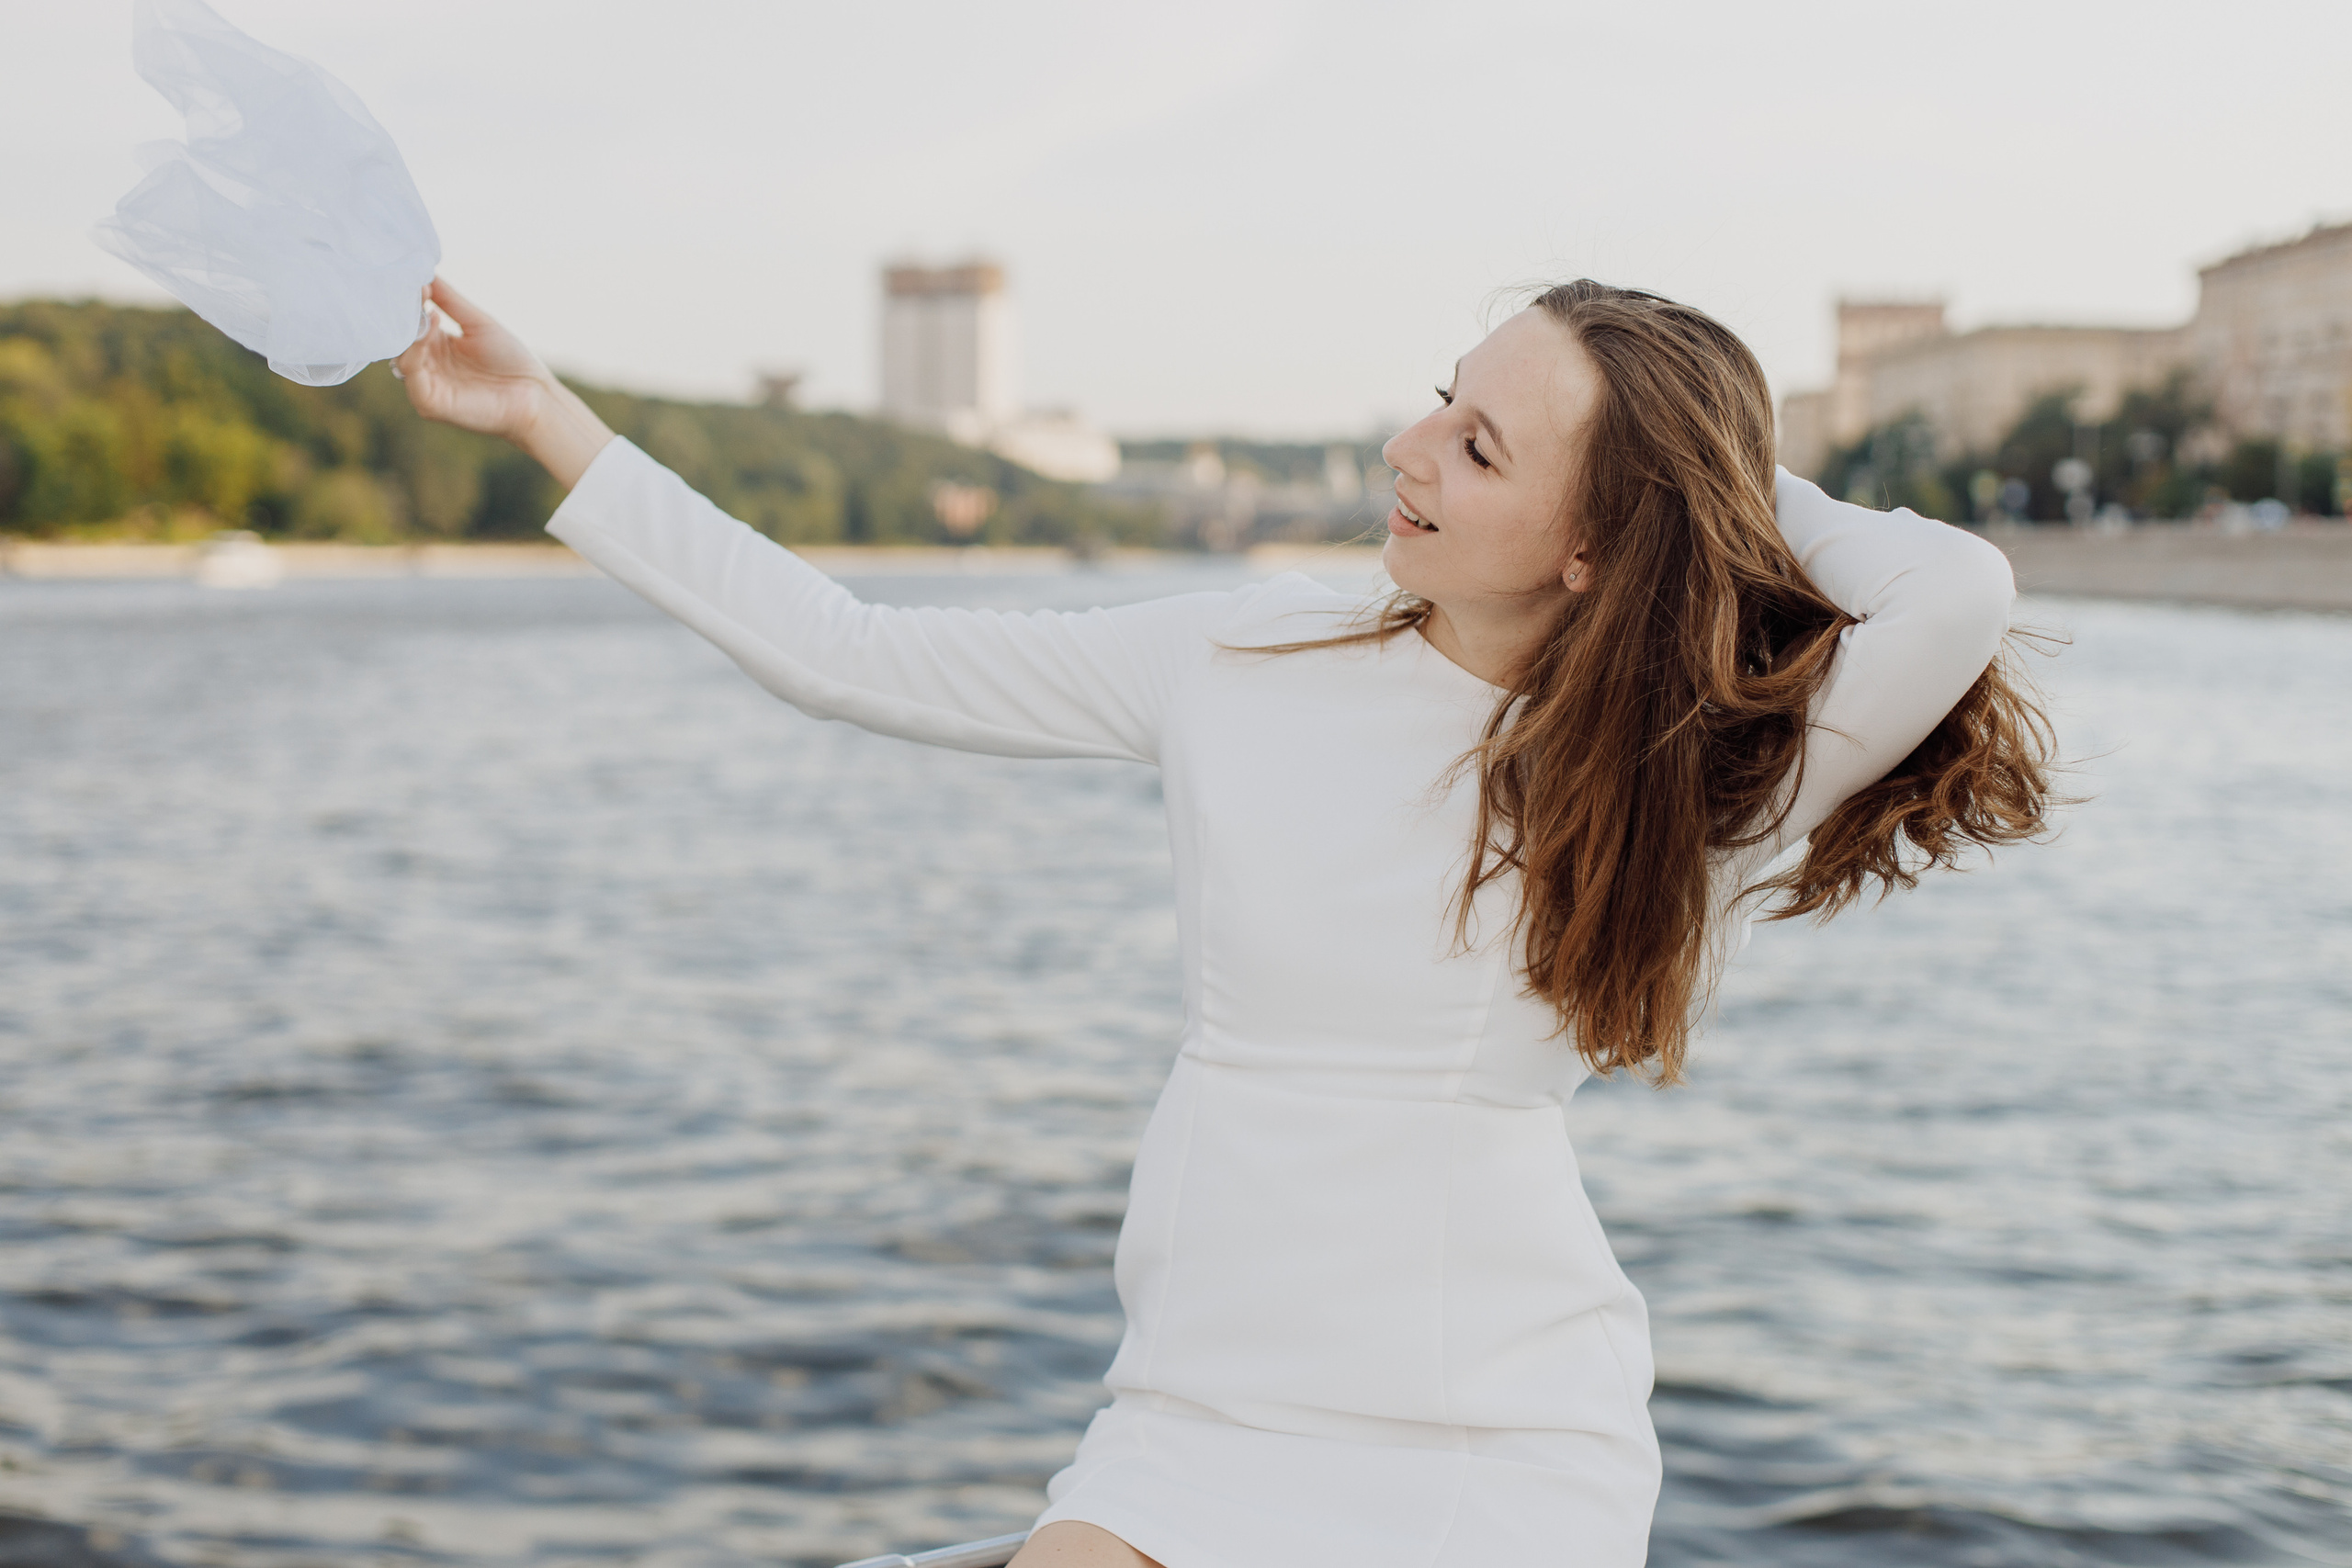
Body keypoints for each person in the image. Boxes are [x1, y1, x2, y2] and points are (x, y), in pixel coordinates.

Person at [395, 276, 2054, 1568]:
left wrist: (1704, 467)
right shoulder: (1247, 652)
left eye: (1482, 448)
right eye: (1439, 404)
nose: (1409, 452)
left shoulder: (1674, 768)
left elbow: (1957, 588)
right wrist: (553, 421)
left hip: (1501, 1441)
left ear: (1596, 541)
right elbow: (849, 652)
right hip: (1199, 1408)